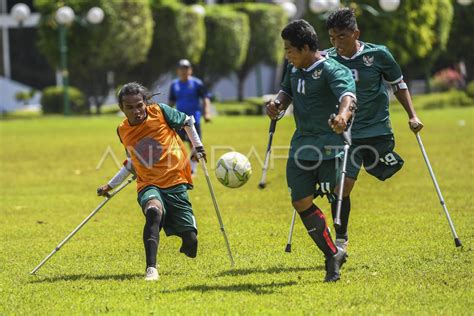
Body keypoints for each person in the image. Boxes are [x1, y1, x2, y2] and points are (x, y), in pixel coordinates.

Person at [325, 8, 424, 251]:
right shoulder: (326, 60)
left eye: (342, 37)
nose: (337, 43)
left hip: (377, 131)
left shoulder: (378, 55)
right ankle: (341, 239)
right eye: (332, 38)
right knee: (342, 187)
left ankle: (381, 162)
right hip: (345, 135)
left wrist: (412, 115)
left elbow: (398, 84)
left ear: (356, 33)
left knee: (385, 169)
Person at [266, 19, 357, 282]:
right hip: (301, 147)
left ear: (306, 47)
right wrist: (276, 105)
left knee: (336, 194)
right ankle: (333, 254)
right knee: (300, 201)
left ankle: (339, 241)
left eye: (290, 50)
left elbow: (348, 98)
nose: (287, 55)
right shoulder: (294, 69)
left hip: (330, 147)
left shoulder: (332, 69)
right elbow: (286, 93)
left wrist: (342, 117)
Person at [97, 82, 206, 281]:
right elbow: (133, 162)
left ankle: (187, 239)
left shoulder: (161, 112)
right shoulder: (123, 131)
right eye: (129, 107)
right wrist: (110, 185)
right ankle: (151, 269)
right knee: (153, 211)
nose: (136, 111)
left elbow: (188, 121)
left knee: (191, 242)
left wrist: (198, 147)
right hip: (148, 183)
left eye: (139, 105)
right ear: (122, 108)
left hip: (176, 180)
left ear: (146, 102)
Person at [169, 59, 212, 175]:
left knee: (195, 145)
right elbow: (170, 103)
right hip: (179, 120)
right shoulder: (174, 85)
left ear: (190, 70)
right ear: (177, 71)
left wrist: (207, 113)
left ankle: (192, 170)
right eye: (181, 69)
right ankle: (178, 167)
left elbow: (206, 98)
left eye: (186, 68)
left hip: (194, 120)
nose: (184, 71)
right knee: (175, 144)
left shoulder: (197, 84)